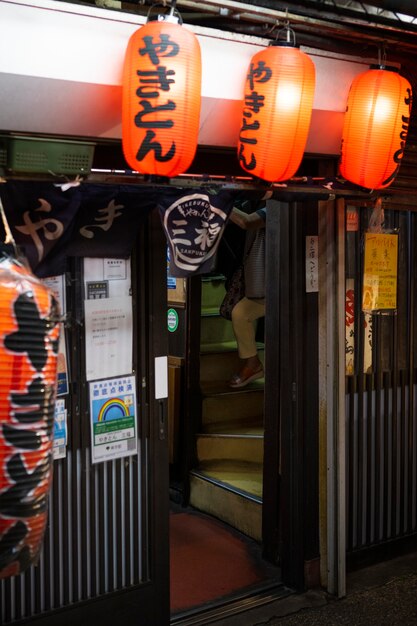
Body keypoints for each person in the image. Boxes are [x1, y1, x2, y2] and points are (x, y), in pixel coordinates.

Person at [227, 200, 267, 388]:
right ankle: (253, 364)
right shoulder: (255, 203)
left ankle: (255, 365)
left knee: (241, 314)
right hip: (263, 284)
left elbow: (246, 222)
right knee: (240, 314)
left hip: (282, 283)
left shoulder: (279, 205)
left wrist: (221, 202)